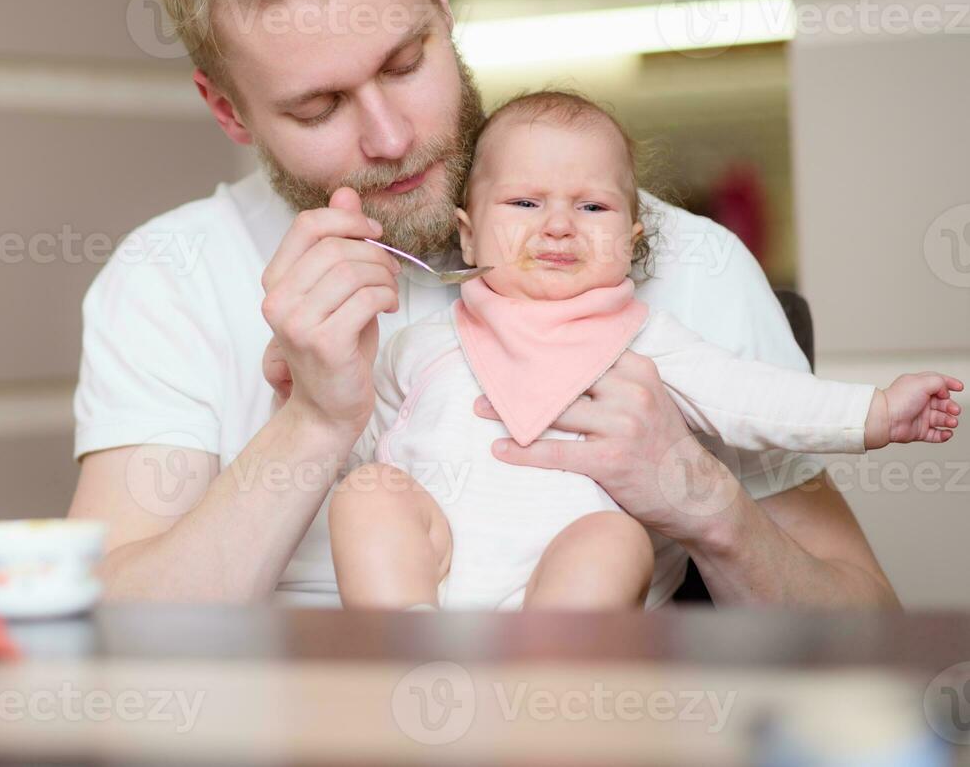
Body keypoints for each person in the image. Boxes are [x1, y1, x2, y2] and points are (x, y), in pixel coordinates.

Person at [66, 0, 902, 608]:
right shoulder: (169, 275)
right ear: (228, 110)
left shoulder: (689, 262)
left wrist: (705, 500)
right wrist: (313, 423)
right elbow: (106, 634)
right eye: (319, 107)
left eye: (405, 61)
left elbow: (871, 628)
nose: (390, 137)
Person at [326, 90, 962, 611]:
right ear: (468, 236)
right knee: (369, 493)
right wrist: (305, 387)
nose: (557, 224)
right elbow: (370, 437)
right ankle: (403, 655)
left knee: (614, 542)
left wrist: (875, 413)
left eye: (592, 206)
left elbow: (755, 398)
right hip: (432, 580)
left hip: (565, 591)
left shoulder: (648, 342)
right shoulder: (420, 345)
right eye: (524, 202)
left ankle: (539, 694)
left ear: (631, 241)